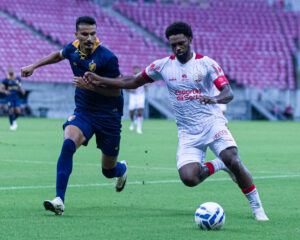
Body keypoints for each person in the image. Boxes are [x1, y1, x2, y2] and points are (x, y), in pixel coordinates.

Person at [74, 22, 269, 221]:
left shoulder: (207, 64)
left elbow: (228, 92)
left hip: (212, 124)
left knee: (234, 159)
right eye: (173, 44)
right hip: (187, 132)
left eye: (181, 43)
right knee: (189, 178)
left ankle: (257, 207)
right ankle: (219, 165)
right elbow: (131, 81)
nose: (178, 48)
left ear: (190, 40)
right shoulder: (163, 66)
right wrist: (100, 80)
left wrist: (215, 99)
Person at [21, 16, 128, 215]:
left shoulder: (108, 58)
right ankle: (59, 199)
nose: (89, 38)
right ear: (76, 35)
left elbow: (116, 92)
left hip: (109, 116)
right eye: (85, 34)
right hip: (84, 111)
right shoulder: (72, 48)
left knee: (108, 171)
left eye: (93, 34)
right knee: (68, 143)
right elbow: (58, 55)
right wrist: (33, 66)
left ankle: (121, 170)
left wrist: (90, 86)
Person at [128, 66, 147, 134]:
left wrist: (145, 89)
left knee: (140, 110)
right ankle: (133, 122)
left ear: (139, 70)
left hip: (140, 96)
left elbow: (146, 88)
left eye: (137, 69)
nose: (136, 70)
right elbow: (127, 88)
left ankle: (139, 127)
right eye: (135, 69)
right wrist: (130, 90)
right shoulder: (131, 78)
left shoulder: (142, 78)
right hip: (133, 96)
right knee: (131, 112)